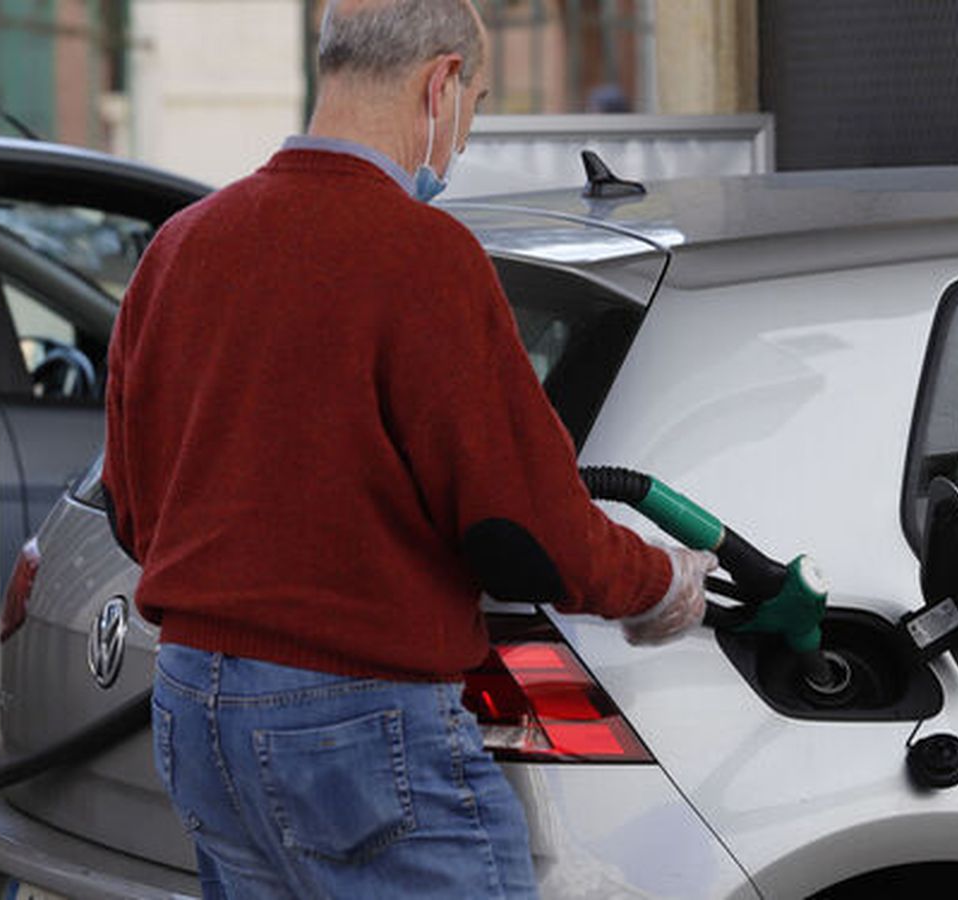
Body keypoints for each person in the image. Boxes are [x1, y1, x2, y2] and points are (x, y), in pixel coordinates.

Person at [102, 1, 715, 896]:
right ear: (440, 84)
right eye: (476, 102)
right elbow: (527, 522)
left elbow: (131, 507)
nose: (463, 136)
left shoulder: (181, 247)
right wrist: (658, 587)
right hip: (354, 721)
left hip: (194, 712)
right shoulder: (425, 257)